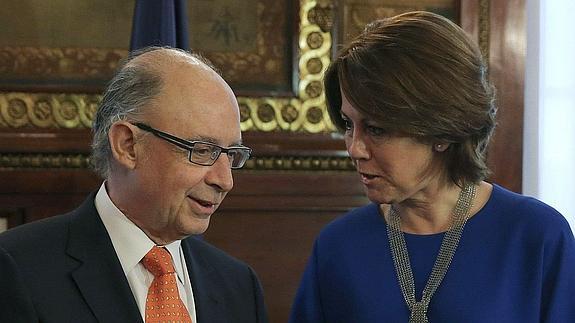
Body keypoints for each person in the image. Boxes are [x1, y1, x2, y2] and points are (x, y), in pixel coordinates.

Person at [289, 11, 575, 323]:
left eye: (377, 129)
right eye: (348, 124)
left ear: (441, 132)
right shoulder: (338, 246)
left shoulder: (537, 235)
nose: (354, 148)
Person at [0, 47, 269, 323]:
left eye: (232, 154)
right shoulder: (16, 270)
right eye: (201, 150)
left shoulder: (238, 286)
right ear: (127, 145)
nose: (225, 180)